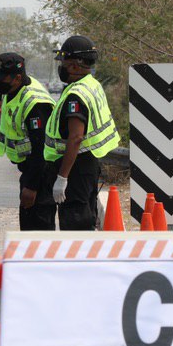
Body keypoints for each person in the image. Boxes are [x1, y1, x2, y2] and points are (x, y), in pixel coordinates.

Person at [44, 35, 121, 230]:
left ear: (76, 65)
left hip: (75, 169)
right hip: (89, 164)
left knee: (75, 224)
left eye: (64, 63)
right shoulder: (92, 85)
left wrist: (62, 178)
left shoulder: (75, 95)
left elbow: (76, 137)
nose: (61, 67)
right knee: (86, 217)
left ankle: (78, 260)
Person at [0, 52, 56, 230]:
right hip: (29, 170)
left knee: (38, 231)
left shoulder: (36, 103)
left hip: (41, 175)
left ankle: (40, 258)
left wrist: (31, 187)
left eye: (1, 79)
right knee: (28, 229)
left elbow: (41, 150)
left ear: (17, 78)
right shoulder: (12, 89)